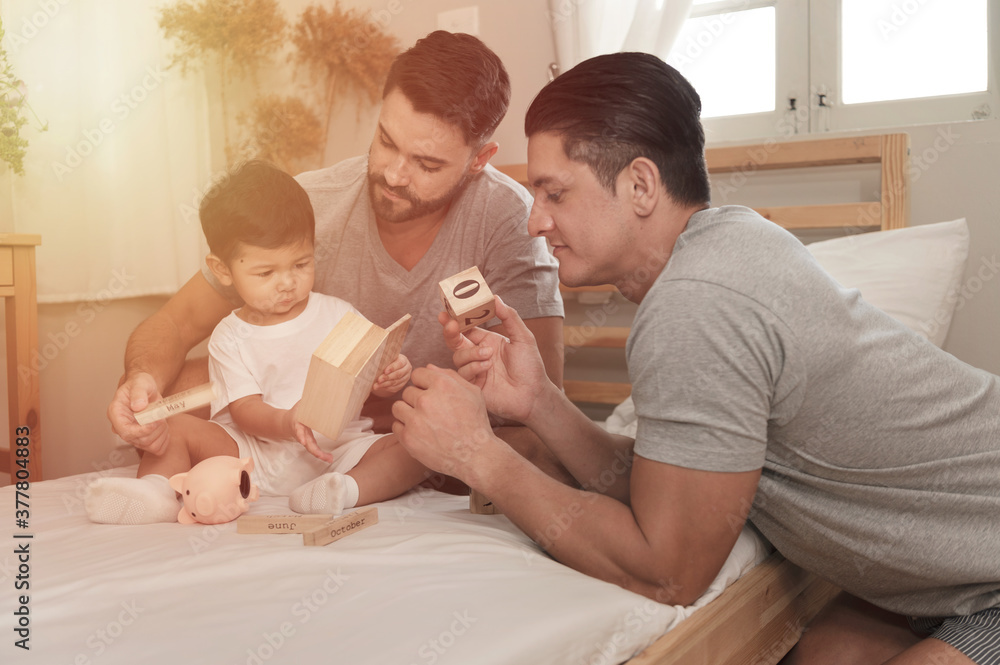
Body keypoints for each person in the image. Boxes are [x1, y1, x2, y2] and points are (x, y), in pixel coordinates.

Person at [390, 52, 1000, 665]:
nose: (534, 222)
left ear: (640, 185)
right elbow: (668, 493)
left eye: (555, 194)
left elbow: (666, 571)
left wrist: (477, 455)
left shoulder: (696, 303)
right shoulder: (732, 240)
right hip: (950, 576)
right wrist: (540, 402)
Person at [106, 31, 564, 460]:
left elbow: (539, 403)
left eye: (426, 164)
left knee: (530, 447)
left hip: (429, 437)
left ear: (479, 159)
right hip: (296, 429)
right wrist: (141, 380)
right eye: (386, 141)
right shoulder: (307, 204)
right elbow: (176, 322)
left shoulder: (510, 220)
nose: (393, 175)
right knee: (165, 396)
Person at [87, 160, 427, 524]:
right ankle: (157, 492)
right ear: (223, 270)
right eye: (266, 273)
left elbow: (365, 376)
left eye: (301, 264)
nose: (287, 283)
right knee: (175, 427)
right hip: (251, 455)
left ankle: (344, 490)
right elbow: (244, 411)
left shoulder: (338, 314)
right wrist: (287, 421)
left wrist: (389, 374)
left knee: (417, 443)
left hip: (340, 449)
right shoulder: (230, 336)